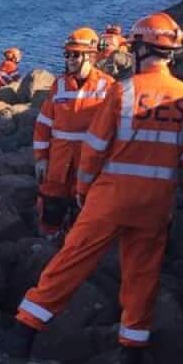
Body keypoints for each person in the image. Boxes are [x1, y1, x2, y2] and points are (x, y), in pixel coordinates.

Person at [5, 12, 183, 364]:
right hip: (157, 200)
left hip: (111, 194)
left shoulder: (122, 90)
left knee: (73, 258)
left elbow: (95, 147)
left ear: (142, 49)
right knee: (142, 271)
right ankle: (132, 348)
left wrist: (83, 188)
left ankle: (26, 328)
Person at [33, 28, 115, 240]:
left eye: (75, 55)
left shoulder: (107, 87)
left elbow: (114, 130)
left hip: (89, 164)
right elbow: (43, 124)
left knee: (85, 210)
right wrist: (41, 159)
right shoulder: (59, 85)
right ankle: (48, 248)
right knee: (51, 208)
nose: (70, 59)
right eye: (67, 54)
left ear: (91, 56)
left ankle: (77, 247)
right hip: (58, 163)